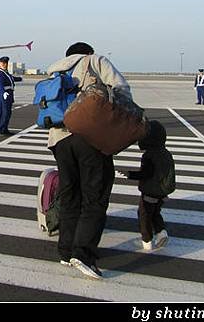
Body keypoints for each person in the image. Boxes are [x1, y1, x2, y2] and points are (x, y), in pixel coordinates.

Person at [46, 42, 132, 280]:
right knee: (95, 195)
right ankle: (83, 254)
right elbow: (122, 89)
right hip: (89, 137)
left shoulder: (56, 70)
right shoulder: (96, 61)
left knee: (70, 193)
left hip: (59, 140)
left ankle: (65, 251)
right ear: (88, 52)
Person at [121, 120, 174, 251]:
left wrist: (130, 174)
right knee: (156, 213)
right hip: (162, 191)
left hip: (150, 191)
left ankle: (147, 240)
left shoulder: (149, 155)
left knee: (144, 214)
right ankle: (162, 232)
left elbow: (146, 173)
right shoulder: (166, 153)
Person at [0, 56, 22, 136]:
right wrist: (3, 92)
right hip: (3, 95)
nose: (5, 64)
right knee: (3, 112)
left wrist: (20, 78)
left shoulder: (5, 73)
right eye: (3, 63)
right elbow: (0, 84)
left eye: (6, 63)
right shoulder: (0, 74)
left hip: (9, 94)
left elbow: (12, 78)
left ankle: (4, 129)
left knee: (8, 113)